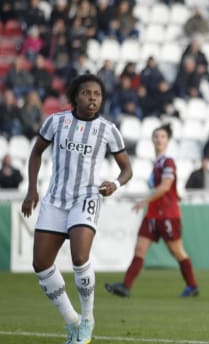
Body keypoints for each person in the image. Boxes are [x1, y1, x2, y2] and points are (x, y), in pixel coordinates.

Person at [22, 73, 132, 344]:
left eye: (97, 94)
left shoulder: (108, 130)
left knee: (80, 257)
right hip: (56, 199)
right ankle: (71, 320)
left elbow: (127, 169)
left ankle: (87, 318)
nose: (92, 97)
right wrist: (32, 189)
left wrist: (116, 185)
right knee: (41, 264)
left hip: (87, 197)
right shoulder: (56, 122)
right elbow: (36, 152)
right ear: (75, 96)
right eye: (86, 93)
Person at [105, 124, 200, 298]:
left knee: (177, 251)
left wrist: (144, 201)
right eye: (156, 136)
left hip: (168, 215)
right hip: (153, 214)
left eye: (162, 136)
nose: (159, 139)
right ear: (152, 140)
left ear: (168, 141)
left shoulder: (168, 162)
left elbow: (165, 187)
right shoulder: (156, 163)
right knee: (139, 249)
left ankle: (192, 286)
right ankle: (125, 287)